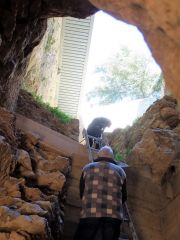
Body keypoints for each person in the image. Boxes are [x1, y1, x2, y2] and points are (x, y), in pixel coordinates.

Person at [73, 146, 127, 240]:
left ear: (98, 155)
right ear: (112, 157)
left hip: (90, 212)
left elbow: (82, 192)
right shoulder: (121, 171)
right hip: (114, 214)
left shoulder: (87, 168)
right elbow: (124, 196)